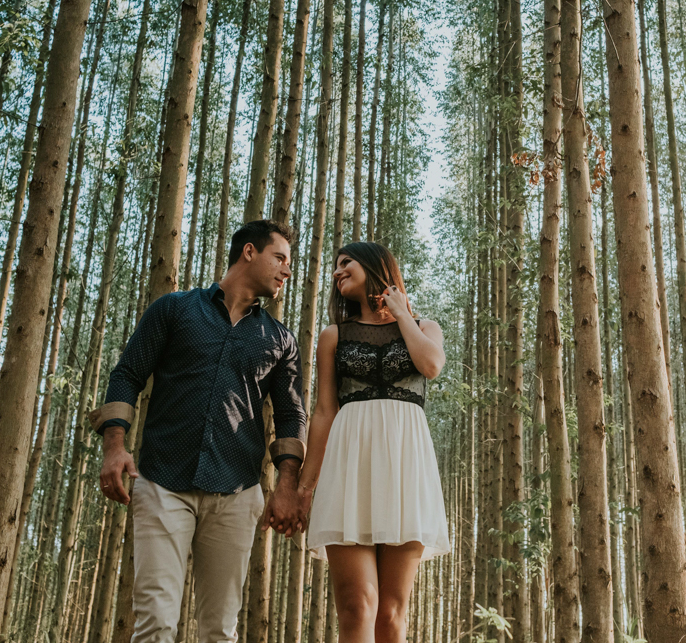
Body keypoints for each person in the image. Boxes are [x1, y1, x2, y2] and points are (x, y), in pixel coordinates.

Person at [92, 219, 307, 643]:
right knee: (155, 623)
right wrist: (114, 448)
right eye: (280, 258)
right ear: (249, 252)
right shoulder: (174, 309)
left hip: (237, 492)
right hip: (162, 483)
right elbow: (127, 375)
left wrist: (286, 486)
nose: (287, 270)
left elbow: (291, 415)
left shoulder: (280, 339)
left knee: (219, 631)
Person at [297, 242, 450, 643]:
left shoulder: (424, 327)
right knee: (356, 605)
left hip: (405, 465)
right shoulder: (334, 335)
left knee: (391, 613)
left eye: (345, 262)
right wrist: (305, 487)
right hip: (350, 467)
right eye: (334, 266)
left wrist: (401, 312)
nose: (336, 271)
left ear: (374, 266)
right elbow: (324, 412)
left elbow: (431, 366)